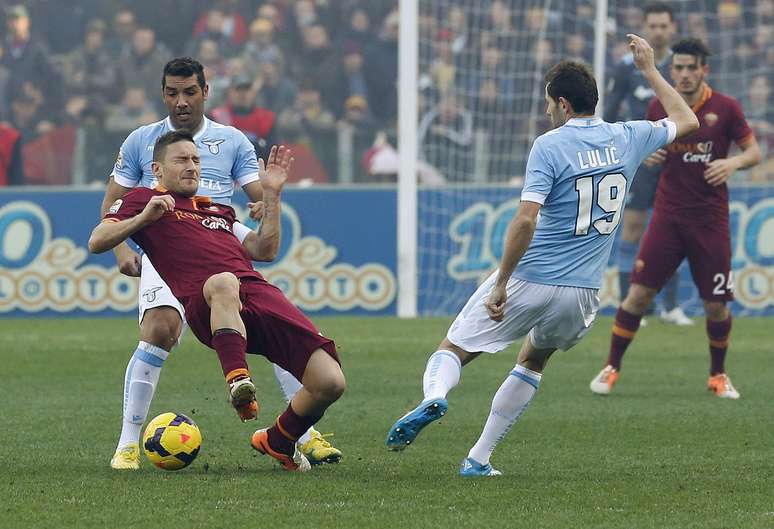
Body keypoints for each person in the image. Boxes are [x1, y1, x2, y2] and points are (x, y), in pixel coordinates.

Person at [385, 35, 699, 476]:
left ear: (564, 105)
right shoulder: (628, 136)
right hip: (584, 292)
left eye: (549, 103)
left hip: (532, 278)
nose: (547, 110)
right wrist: (649, 70)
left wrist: (500, 283)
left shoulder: (549, 145)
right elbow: (686, 119)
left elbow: (526, 220)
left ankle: (434, 397)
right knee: (533, 359)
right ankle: (479, 458)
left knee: (454, 348)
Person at [102, 57, 341, 470]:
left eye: (189, 92)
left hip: (220, 235)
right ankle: (127, 442)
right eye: (172, 93)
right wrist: (124, 251)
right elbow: (112, 204)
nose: (180, 101)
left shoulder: (232, 140)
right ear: (163, 95)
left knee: (264, 321)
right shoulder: (142, 140)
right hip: (164, 240)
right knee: (160, 328)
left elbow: (258, 196)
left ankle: (301, 432)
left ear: (205, 92)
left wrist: (265, 202)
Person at [590, 38, 761, 399]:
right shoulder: (659, 105)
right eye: (677, 68)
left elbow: (754, 152)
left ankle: (718, 375)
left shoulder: (725, 108)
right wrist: (648, 153)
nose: (682, 74)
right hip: (667, 218)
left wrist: (732, 163)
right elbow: (647, 145)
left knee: (716, 305)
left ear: (703, 70)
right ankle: (611, 367)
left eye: (689, 68)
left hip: (709, 220)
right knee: (637, 296)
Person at [604, 2, 692, 326]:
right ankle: (633, 307)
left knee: (676, 229)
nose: (657, 31)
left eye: (662, 25)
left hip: (677, 160)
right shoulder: (626, 68)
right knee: (632, 228)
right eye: (651, 25)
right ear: (644, 27)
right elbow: (610, 116)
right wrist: (632, 150)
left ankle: (670, 306)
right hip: (640, 162)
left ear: (672, 28)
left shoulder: (682, 66)